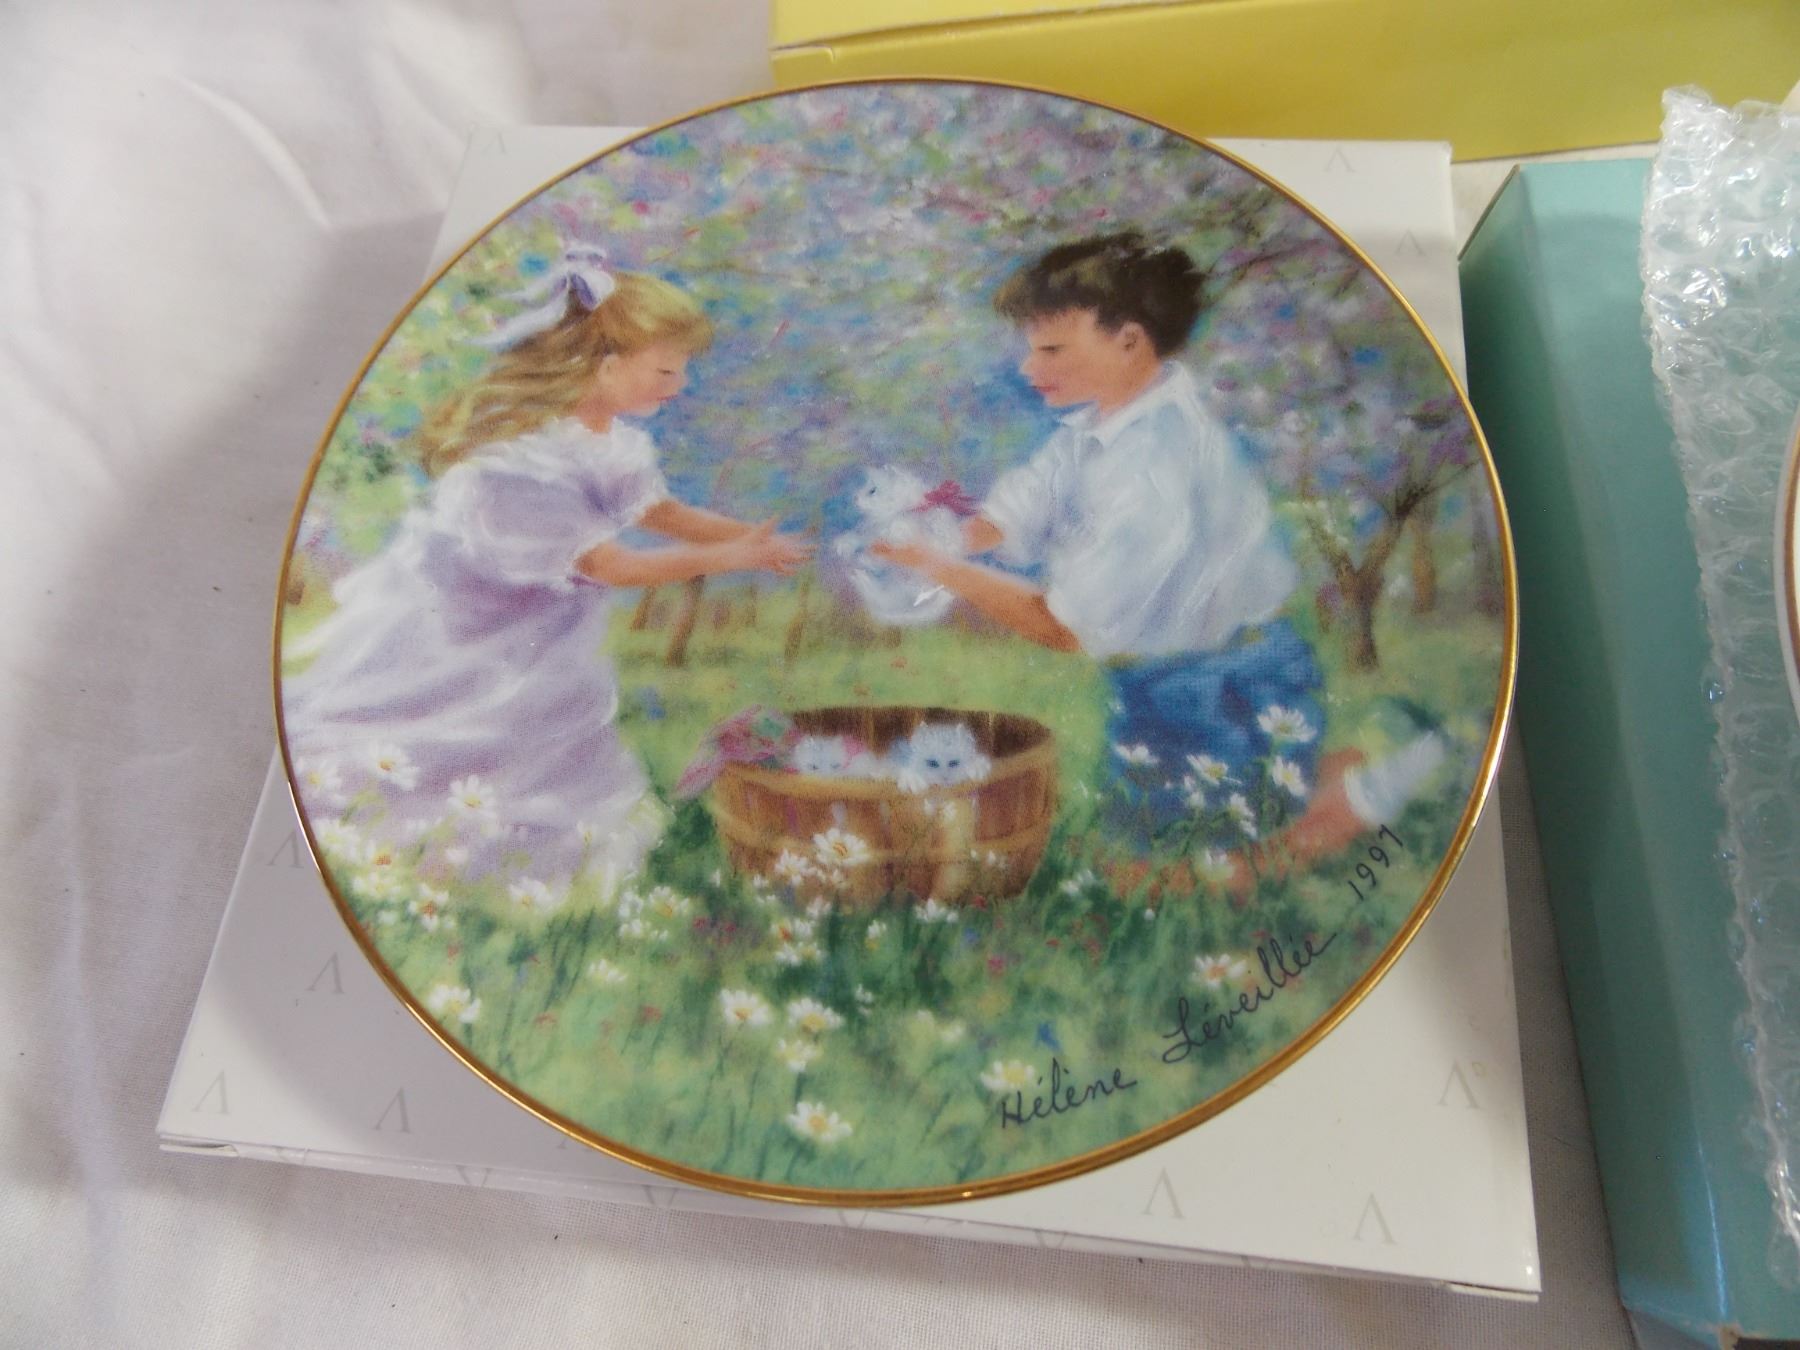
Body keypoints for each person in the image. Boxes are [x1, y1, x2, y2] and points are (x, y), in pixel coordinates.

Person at [874, 232, 1439, 879]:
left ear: (1129, 341)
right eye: (1031, 348)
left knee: (1186, 868)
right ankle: (1338, 780)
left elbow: (1065, 626)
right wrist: (954, 537)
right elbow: (1028, 500)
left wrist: (941, 570)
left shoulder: (1154, 464)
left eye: (1051, 349)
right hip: (1169, 680)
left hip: (1224, 685)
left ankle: (1357, 799)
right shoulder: (1101, 427)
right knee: (1150, 834)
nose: (1030, 368)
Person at [284, 250, 811, 888]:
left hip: (541, 621)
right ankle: (435, 846)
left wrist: (751, 537)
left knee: (546, 724)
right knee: (463, 720)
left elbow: (658, 512)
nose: (679, 385)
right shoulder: (522, 464)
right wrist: (729, 556)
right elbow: (607, 564)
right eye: (666, 370)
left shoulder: (613, 442)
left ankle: (517, 854)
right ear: (605, 365)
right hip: (470, 622)